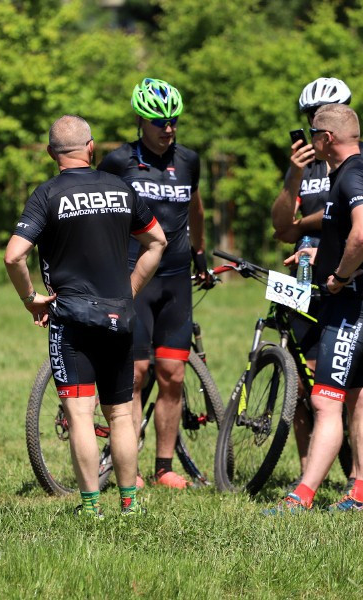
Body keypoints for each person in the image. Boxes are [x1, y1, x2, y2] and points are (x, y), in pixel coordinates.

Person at [5, 115, 167, 518]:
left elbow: (13, 255)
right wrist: (127, 291)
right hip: (119, 316)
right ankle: (130, 504)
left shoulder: (47, 195)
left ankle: (91, 507)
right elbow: (157, 241)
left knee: (80, 414)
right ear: (91, 148)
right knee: (120, 414)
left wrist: (30, 299)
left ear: (50, 154)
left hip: (72, 318)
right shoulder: (120, 188)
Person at [267, 103, 363, 513]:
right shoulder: (357, 171)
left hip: (353, 303)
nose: (309, 139)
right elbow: (338, 229)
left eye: (313, 132)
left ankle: (300, 497)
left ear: (328, 138)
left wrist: (338, 275)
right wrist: (315, 258)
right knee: (362, 395)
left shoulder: (352, 174)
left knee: (326, 399)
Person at [98, 78, 212, 489]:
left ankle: (164, 467)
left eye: (174, 120)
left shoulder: (189, 161)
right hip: (133, 277)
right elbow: (98, 210)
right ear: (140, 121)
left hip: (176, 279)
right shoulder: (118, 162)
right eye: (159, 121)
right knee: (136, 373)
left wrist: (200, 252)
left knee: (173, 375)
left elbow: (195, 207)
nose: (168, 128)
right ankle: (129, 464)